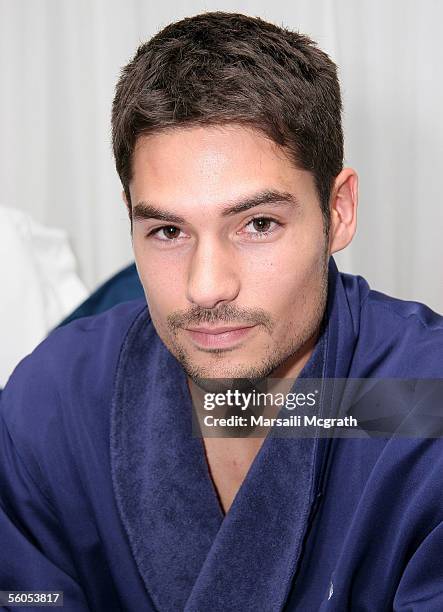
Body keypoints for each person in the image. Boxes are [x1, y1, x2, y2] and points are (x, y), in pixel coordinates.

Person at [1, 12, 442, 612]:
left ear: (338, 212)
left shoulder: (424, 401)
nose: (206, 287)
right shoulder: (53, 400)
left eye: (258, 225)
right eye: (166, 230)